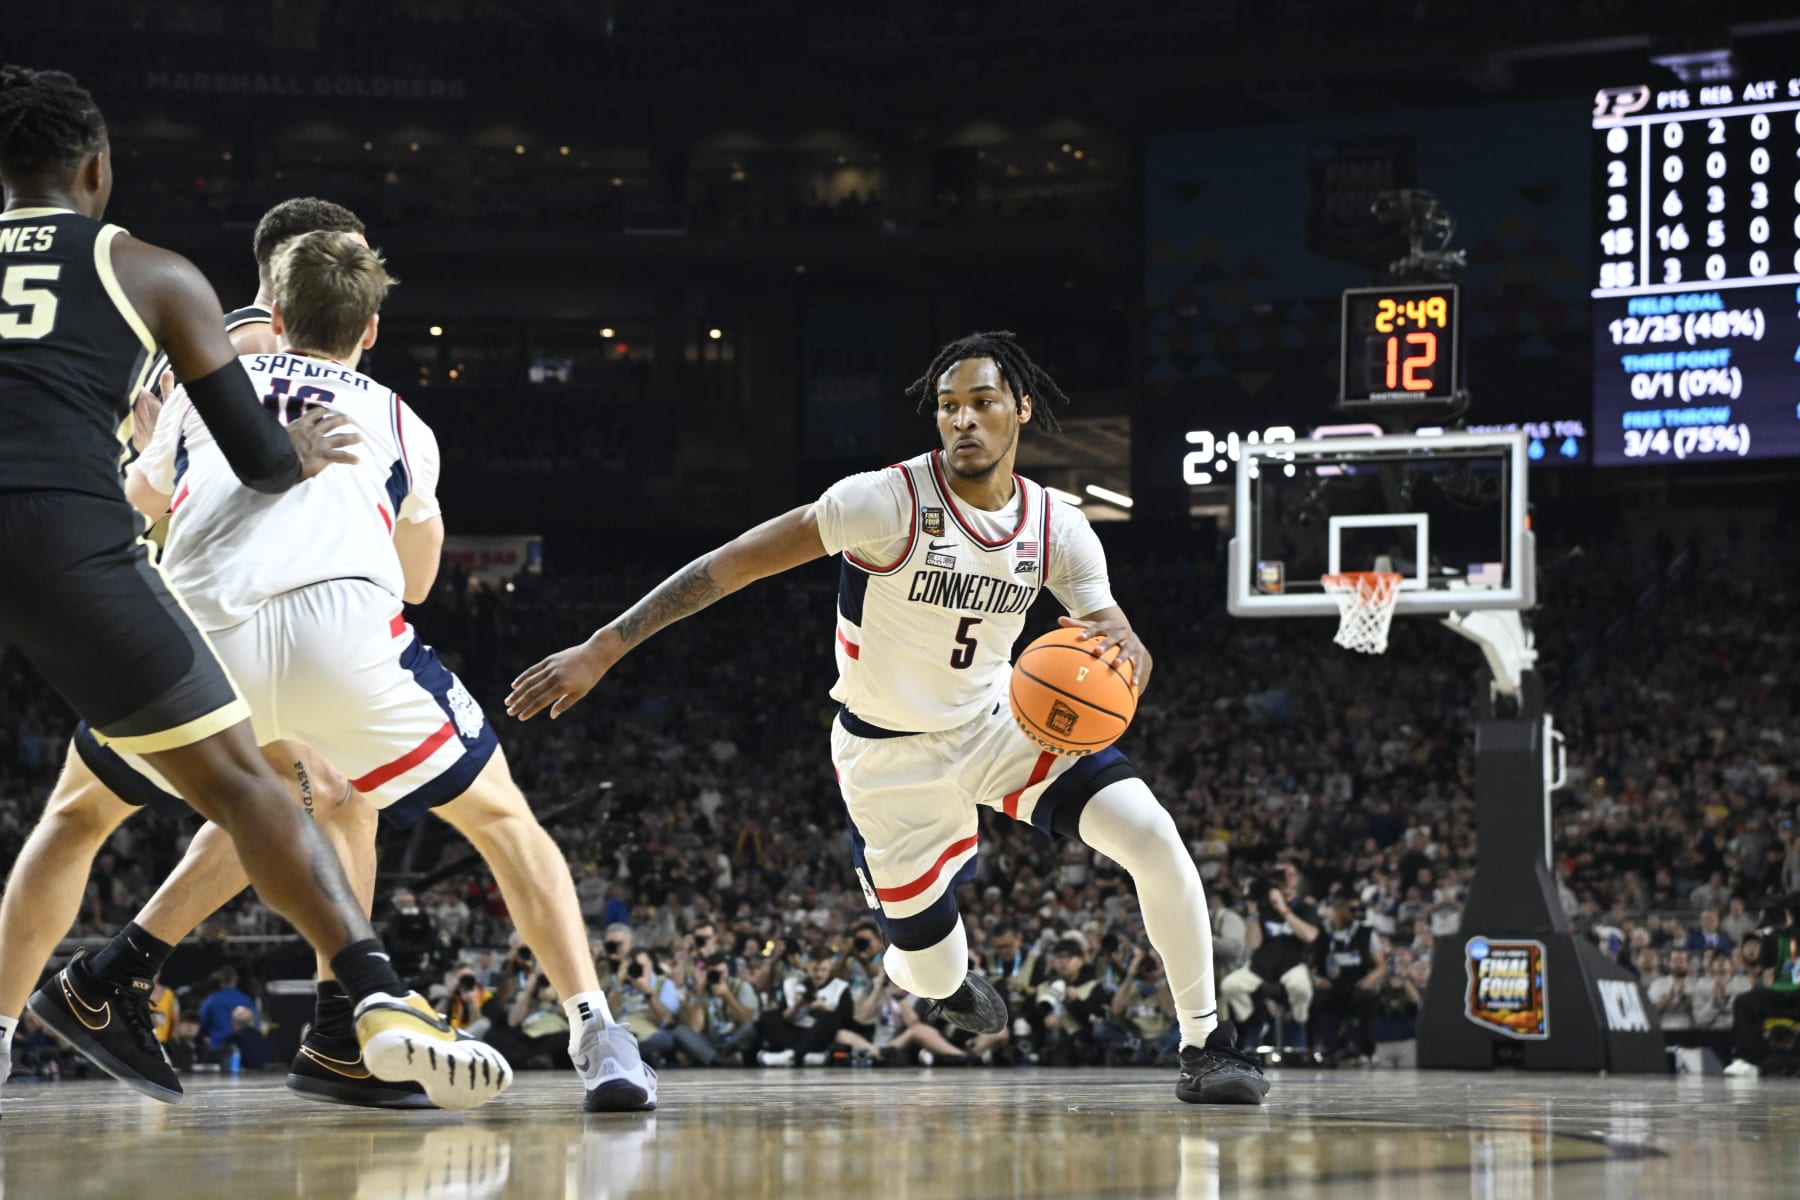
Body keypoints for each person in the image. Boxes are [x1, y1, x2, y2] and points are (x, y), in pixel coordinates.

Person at [508, 331, 1267, 1105]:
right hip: (887, 755)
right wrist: (605, 646)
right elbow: (732, 562)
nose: (963, 420)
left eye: (982, 402)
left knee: (1151, 834)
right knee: (932, 969)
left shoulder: (1057, 528)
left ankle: (1207, 1046)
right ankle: (936, 977)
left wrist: (1129, 660)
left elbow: (1118, 636)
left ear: (1022, 411)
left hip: (1000, 723)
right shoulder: (884, 501)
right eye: (948, 407)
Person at [50, 230, 651, 1112]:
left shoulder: (198, 393)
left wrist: (160, 455)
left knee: (302, 797)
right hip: (335, 638)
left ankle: (169, 990)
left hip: (197, 643)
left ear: (277, 313)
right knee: (500, 818)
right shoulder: (400, 418)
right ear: (370, 328)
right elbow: (416, 582)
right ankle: (597, 1032)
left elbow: (143, 502)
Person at [0, 64, 499, 1114]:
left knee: (147, 804)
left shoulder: (219, 319)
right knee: (264, 789)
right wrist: (302, 456)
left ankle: (88, 1000)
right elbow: (248, 461)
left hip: (187, 569)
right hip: (103, 555)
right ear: (97, 169)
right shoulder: (161, 282)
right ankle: (360, 1004)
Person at [1220, 862, 1321, 1045]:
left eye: (1290, 874)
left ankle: (1298, 1023)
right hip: (1262, 966)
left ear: (1297, 880)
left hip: (1292, 965)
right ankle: (1255, 1024)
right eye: (1281, 875)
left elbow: (1309, 935)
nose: (1286, 879)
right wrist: (1252, 908)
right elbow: (1253, 943)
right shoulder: (1263, 908)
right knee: (1230, 985)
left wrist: (1283, 909)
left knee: (1301, 987)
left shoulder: (1305, 907)